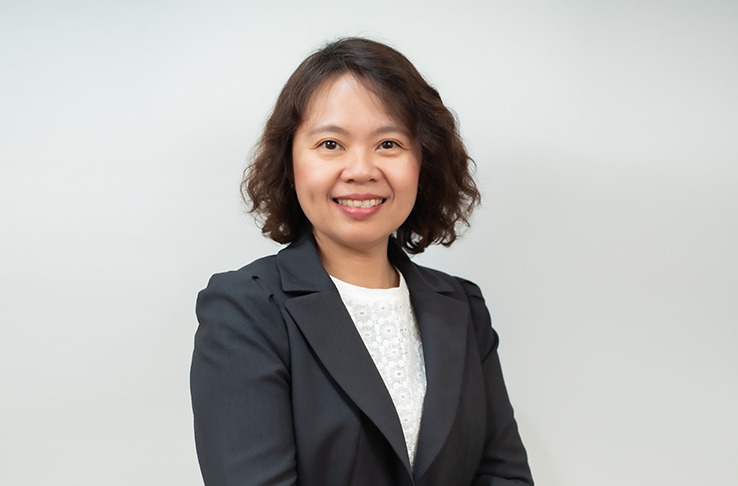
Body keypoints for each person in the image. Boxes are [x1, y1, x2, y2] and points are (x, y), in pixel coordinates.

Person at [190, 37, 534, 486]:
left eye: (388, 143)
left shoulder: (463, 307)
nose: (360, 170)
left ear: (423, 162)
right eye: (331, 144)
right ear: (290, 162)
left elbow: (504, 475)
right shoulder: (246, 311)